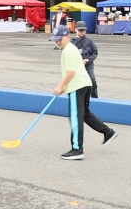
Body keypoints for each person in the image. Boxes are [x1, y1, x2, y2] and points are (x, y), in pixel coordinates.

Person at [50, 26, 118, 160]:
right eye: (56, 40)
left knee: (75, 117)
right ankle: (108, 132)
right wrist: (65, 86)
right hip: (85, 84)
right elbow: (76, 69)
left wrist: (60, 86)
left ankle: (77, 149)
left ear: (67, 36)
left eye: (60, 39)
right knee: (85, 114)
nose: (58, 42)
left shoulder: (68, 50)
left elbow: (71, 72)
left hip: (78, 86)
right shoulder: (71, 49)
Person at [72, 22, 99, 98]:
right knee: (77, 83)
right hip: (76, 65)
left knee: (92, 80)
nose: (82, 32)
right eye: (80, 30)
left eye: (83, 30)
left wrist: (88, 60)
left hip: (88, 65)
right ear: (76, 30)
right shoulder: (72, 41)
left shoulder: (89, 41)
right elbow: (70, 54)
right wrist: (79, 62)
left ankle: (95, 98)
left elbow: (95, 52)